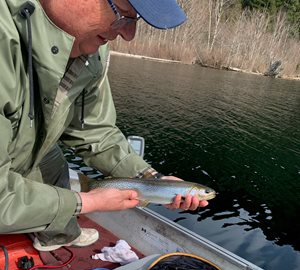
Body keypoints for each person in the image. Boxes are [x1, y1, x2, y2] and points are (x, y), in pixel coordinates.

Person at [0, 0, 209, 252]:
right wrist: (84, 202)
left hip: (18, 151)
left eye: (135, 20)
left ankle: (56, 234)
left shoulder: (90, 52)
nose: (128, 35)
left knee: (53, 161)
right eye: (124, 14)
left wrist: (152, 179)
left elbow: (94, 130)